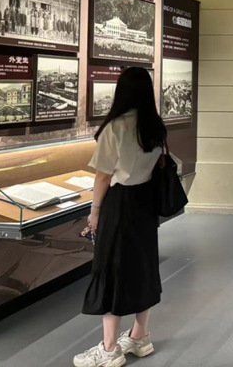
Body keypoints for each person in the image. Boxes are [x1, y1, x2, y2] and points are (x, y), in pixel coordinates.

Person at [74, 67, 166, 367]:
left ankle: (109, 348)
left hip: (118, 204)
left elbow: (103, 176)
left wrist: (94, 212)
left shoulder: (115, 127)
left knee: (111, 268)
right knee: (143, 266)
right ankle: (139, 336)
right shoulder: (155, 127)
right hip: (144, 204)